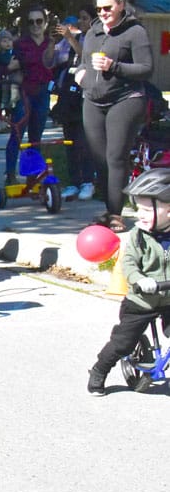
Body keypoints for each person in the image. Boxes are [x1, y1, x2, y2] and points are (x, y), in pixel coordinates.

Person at [77, 0, 154, 233]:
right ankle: (108, 208)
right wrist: (80, 74)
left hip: (125, 99)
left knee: (116, 157)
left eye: (108, 8)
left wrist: (115, 67)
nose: (103, 13)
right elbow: (83, 60)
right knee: (100, 159)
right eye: (99, 9)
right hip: (93, 100)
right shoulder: (93, 32)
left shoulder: (135, 31)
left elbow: (146, 68)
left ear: (120, 5)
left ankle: (115, 214)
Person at [87, 168, 170, 395]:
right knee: (122, 343)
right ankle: (99, 370)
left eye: (146, 209)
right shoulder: (138, 236)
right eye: (138, 209)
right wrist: (141, 280)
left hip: (168, 300)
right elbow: (129, 264)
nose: (139, 215)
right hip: (141, 302)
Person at [4, 4, 55, 184]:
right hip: (24, 93)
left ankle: (33, 177)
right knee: (17, 134)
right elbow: (8, 66)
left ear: (45, 23)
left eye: (39, 21)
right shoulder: (20, 43)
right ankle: (10, 175)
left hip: (43, 92)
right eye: (31, 21)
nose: (35, 25)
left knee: (36, 138)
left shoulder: (51, 43)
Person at [51, 14, 95, 201]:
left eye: (84, 18)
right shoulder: (71, 38)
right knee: (70, 142)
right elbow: (53, 59)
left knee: (84, 141)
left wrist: (70, 37)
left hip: (87, 96)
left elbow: (87, 57)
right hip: (69, 96)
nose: (80, 22)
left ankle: (87, 181)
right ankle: (73, 182)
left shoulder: (96, 38)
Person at [0, 29, 22, 123]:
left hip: (14, 79)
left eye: (9, 40)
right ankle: (5, 109)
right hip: (3, 80)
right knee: (5, 94)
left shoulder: (15, 53)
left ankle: (12, 110)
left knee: (15, 94)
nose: (8, 43)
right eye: (4, 41)